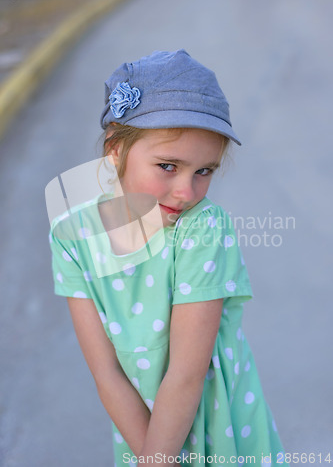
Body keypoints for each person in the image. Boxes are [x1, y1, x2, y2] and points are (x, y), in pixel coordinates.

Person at [48, 49, 289, 466]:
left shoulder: (202, 229)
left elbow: (186, 373)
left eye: (204, 171)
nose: (186, 192)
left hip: (217, 422)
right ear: (115, 151)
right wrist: (153, 457)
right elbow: (106, 372)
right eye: (167, 166)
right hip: (142, 429)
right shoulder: (73, 234)